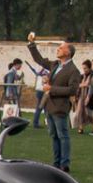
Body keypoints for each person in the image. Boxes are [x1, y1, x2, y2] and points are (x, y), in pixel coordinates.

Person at [26, 34, 81, 173]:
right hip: (49, 106)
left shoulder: (73, 71)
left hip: (60, 107)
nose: (58, 49)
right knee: (54, 136)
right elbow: (38, 59)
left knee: (63, 135)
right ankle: (56, 162)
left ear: (68, 53)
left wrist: (52, 88)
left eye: (61, 48)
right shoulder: (55, 65)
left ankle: (65, 164)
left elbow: (73, 89)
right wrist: (32, 44)